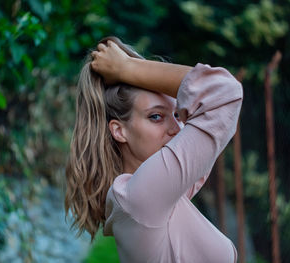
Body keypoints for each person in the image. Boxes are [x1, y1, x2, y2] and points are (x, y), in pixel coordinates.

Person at [65, 36, 243, 263]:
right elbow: (224, 92)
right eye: (156, 117)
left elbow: (213, 101)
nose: (177, 129)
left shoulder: (156, 195)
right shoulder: (141, 199)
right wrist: (126, 68)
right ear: (119, 131)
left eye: (177, 116)